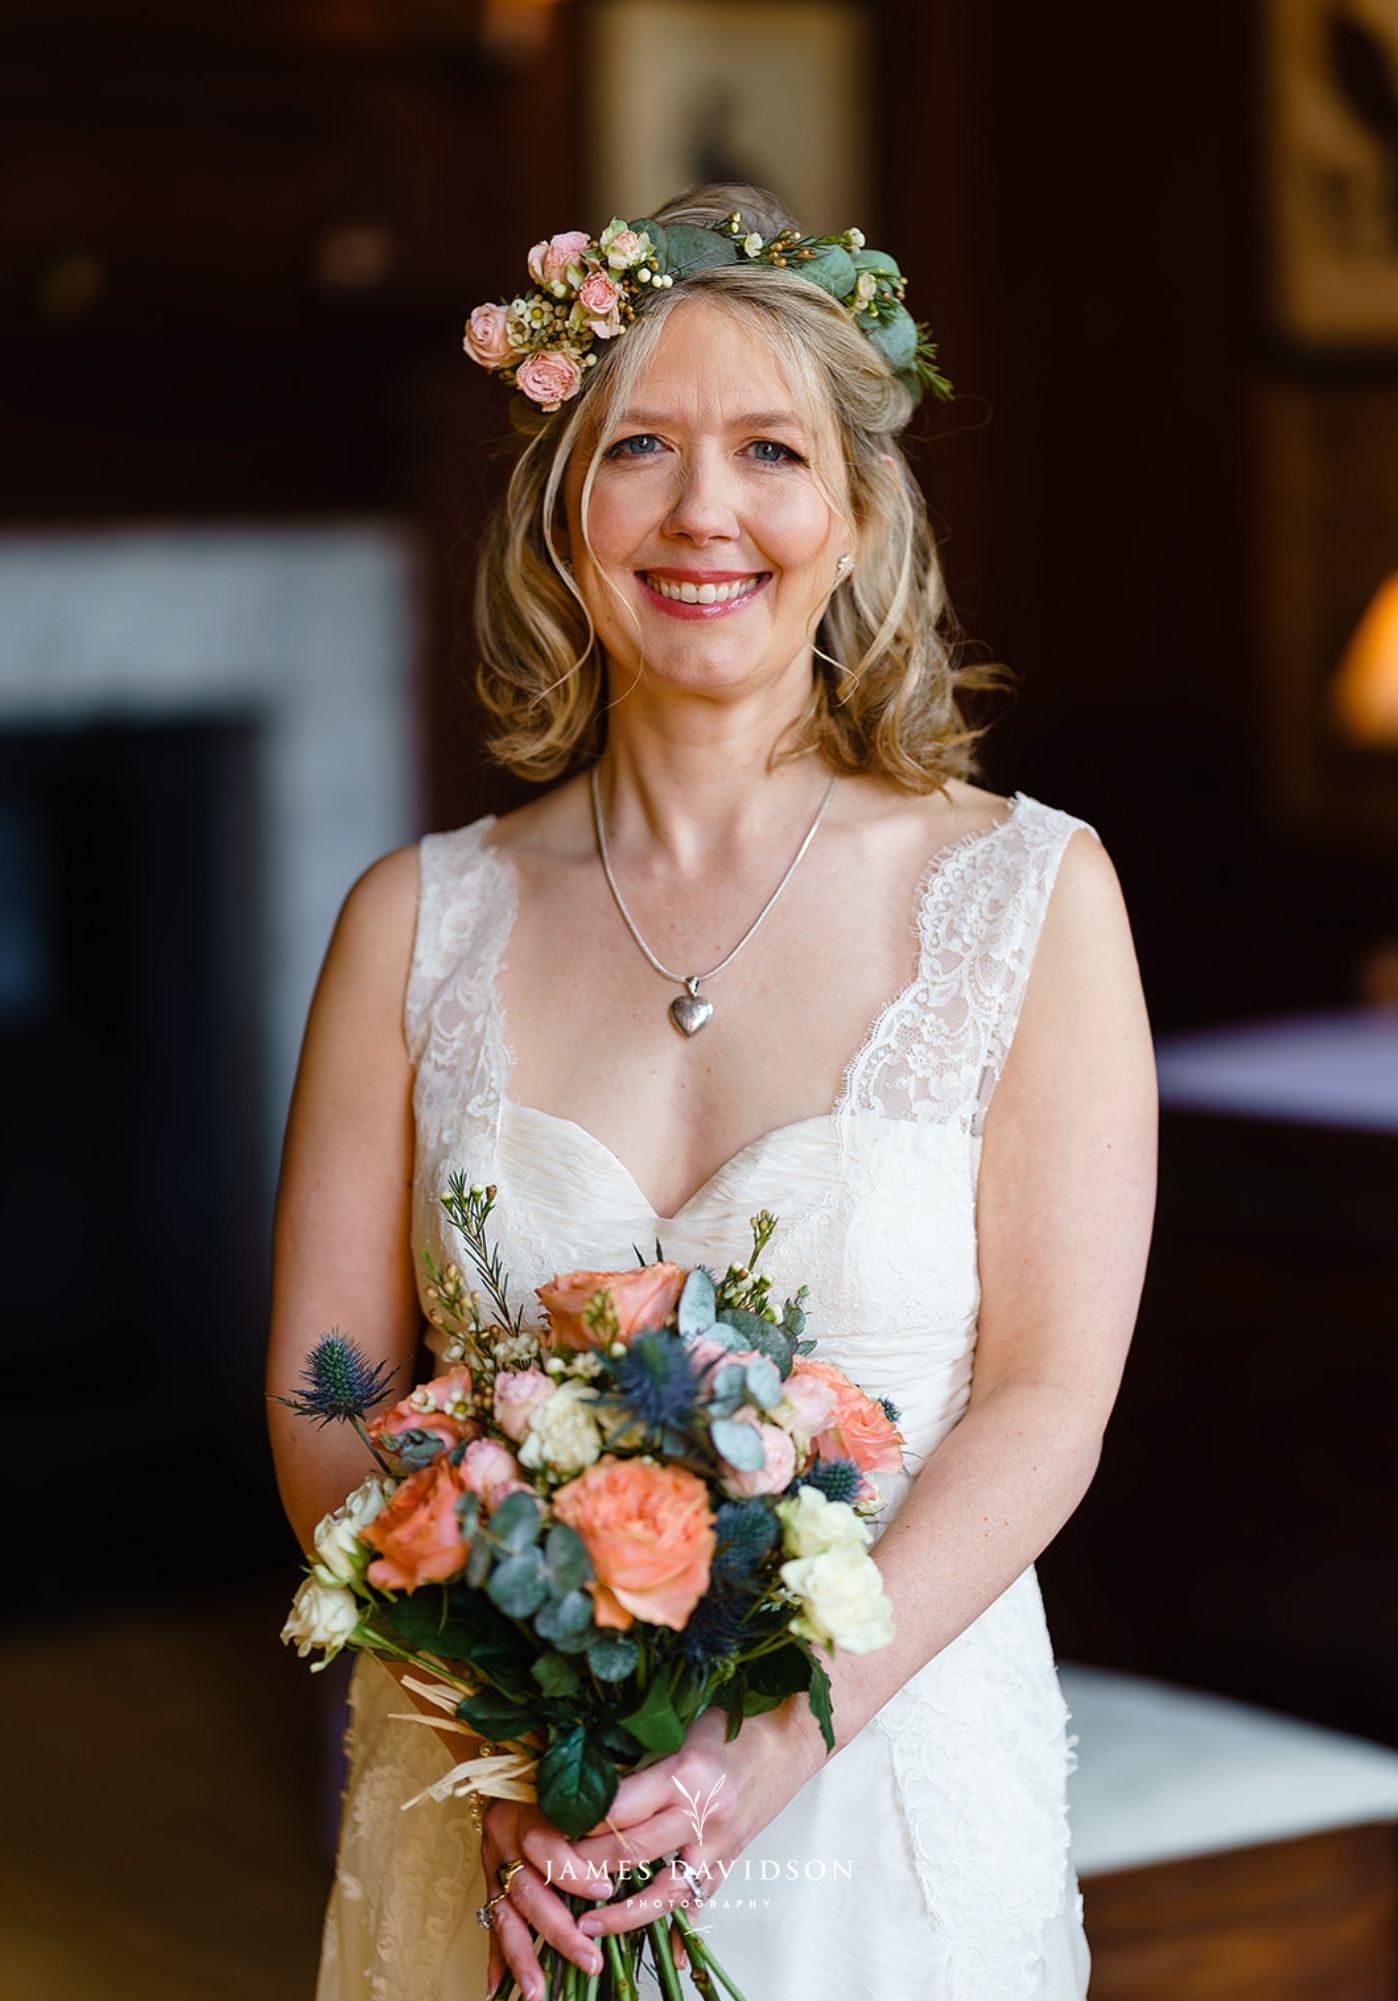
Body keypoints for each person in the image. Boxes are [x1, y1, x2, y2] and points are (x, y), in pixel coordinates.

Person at [267, 182, 1156, 2001]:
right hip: (496, 1835)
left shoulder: (1030, 896)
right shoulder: (411, 921)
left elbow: (1049, 1394)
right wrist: (515, 1749)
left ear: (850, 515)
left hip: (879, 1806)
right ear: (559, 510)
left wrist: (762, 1751)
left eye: (767, 450)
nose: (701, 514)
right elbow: (322, 1392)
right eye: (638, 450)